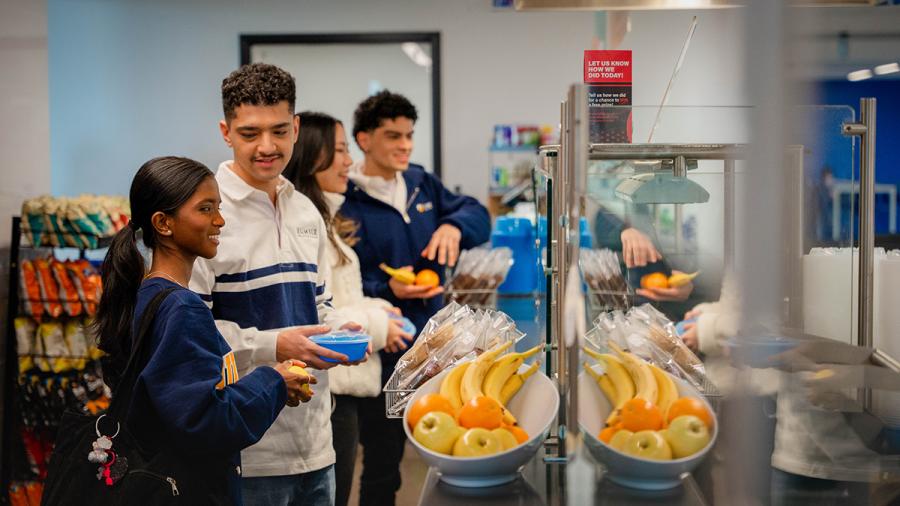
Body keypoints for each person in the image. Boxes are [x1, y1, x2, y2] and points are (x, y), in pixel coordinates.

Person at [91, 156, 314, 504]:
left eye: (219, 207)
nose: (220, 220)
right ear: (163, 223)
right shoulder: (182, 308)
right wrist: (274, 381)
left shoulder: (146, 294)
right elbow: (206, 422)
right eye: (205, 209)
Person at [190, 63, 363, 506]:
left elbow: (319, 307)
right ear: (226, 132)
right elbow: (192, 338)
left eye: (279, 131)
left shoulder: (306, 211)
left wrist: (342, 330)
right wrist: (275, 346)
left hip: (316, 443)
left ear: (296, 128)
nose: (266, 147)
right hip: (247, 450)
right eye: (249, 134)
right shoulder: (204, 215)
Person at [340, 90, 491, 506]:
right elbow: (342, 283)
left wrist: (455, 226)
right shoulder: (344, 199)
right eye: (393, 136)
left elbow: (479, 215)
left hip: (435, 345)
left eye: (409, 135)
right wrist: (388, 288)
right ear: (364, 139)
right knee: (383, 460)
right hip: (384, 347)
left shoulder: (421, 182)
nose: (405, 145)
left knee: (447, 446)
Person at [283, 111, 413, 506]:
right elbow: (317, 313)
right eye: (339, 151)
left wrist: (380, 310)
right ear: (310, 156)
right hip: (331, 387)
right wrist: (377, 325)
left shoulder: (323, 219)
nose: (347, 161)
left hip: (343, 387)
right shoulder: (305, 225)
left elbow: (339, 299)